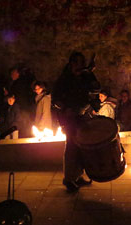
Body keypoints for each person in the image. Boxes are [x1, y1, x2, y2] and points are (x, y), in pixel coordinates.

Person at [52, 51, 100, 192]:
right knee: (72, 147)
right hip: (69, 118)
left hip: (81, 115)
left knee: (82, 147)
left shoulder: (84, 77)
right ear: (72, 63)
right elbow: (56, 100)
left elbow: (96, 88)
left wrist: (90, 72)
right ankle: (68, 179)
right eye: (80, 63)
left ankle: (78, 176)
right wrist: (66, 110)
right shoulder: (64, 79)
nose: (82, 65)